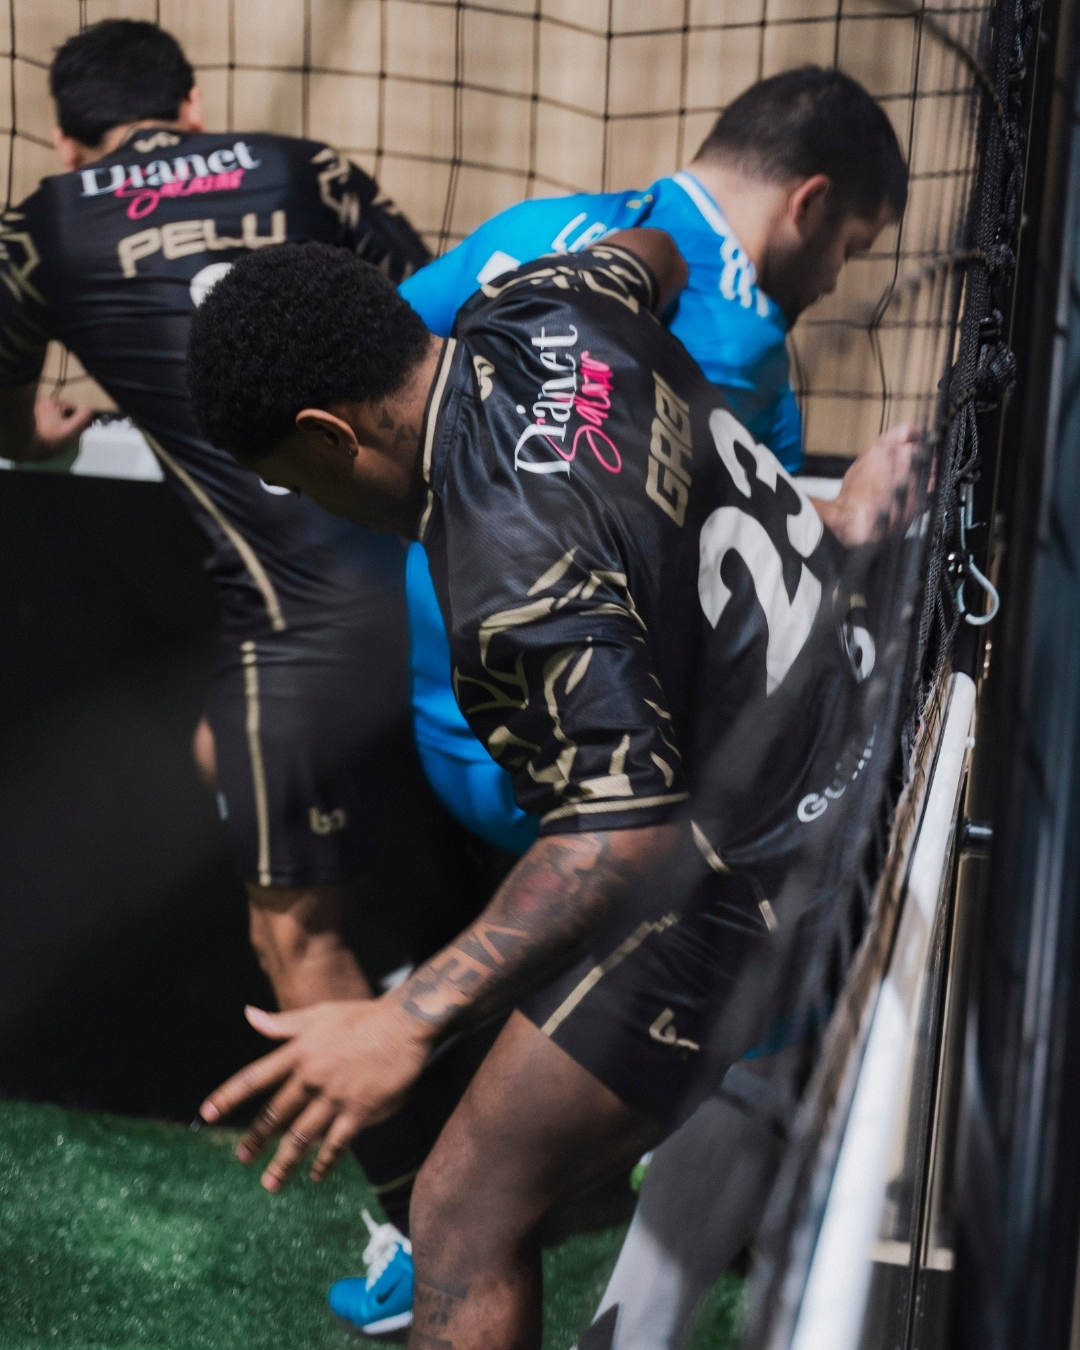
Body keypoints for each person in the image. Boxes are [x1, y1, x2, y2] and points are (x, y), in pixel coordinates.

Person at [188, 227, 921, 1350]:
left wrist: (405, 1019)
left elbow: (618, 838)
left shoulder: (508, 569)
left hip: (763, 857)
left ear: (326, 436)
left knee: (459, 1209)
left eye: (297, 480)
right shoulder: (558, 296)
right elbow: (657, 251)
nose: (317, 505)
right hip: (862, 728)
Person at [382, 66, 909, 1347]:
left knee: (553, 1071)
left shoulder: (535, 241)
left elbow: (391, 373)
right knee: (761, 1038)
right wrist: (846, 519)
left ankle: (454, 1210)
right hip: (611, 780)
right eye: (850, 247)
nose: (839, 279)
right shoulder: (733, 341)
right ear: (811, 200)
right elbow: (701, 576)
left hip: (454, 714)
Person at [0, 21, 494, 1312]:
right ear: (193, 104)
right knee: (229, 757)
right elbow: (433, 326)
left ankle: (421, 1237)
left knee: (291, 932)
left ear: (66, 135)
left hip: (298, 631)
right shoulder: (300, 165)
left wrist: (40, 429)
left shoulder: (43, 224)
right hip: (443, 571)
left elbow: (4, 408)